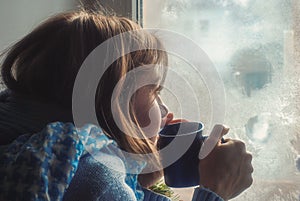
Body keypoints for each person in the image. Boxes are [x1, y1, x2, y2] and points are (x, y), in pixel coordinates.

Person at [0, 9, 253, 201]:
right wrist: (215, 188)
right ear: (117, 101)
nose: (166, 112)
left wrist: (137, 178)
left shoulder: (31, 148)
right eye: (155, 92)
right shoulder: (95, 177)